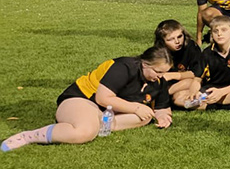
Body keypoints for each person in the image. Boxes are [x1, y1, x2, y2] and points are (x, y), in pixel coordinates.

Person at [3, 47, 173, 151]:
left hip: (105, 112)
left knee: (145, 116)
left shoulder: (158, 81)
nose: (160, 77)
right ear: (145, 64)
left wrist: (164, 117)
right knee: (84, 133)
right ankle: (28, 136)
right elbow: (103, 98)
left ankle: (96, 124)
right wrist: (135, 107)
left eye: (164, 72)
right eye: (158, 72)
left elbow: (162, 106)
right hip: (82, 99)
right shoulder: (124, 66)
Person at [196, 16, 230, 110]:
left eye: (224, 30)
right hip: (212, 89)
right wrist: (194, 92)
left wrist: (221, 92)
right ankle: (225, 105)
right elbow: (197, 78)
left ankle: (208, 104)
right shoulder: (207, 52)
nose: (219, 34)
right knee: (180, 98)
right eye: (215, 31)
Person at [155, 19, 203, 108]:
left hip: (190, 83)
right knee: (178, 99)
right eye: (171, 39)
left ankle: (162, 95)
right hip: (170, 85)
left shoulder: (190, 47)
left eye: (180, 36)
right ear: (162, 42)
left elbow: (197, 73)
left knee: (187, 85)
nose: (177, 41)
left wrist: (173, 75)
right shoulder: (159, 53)